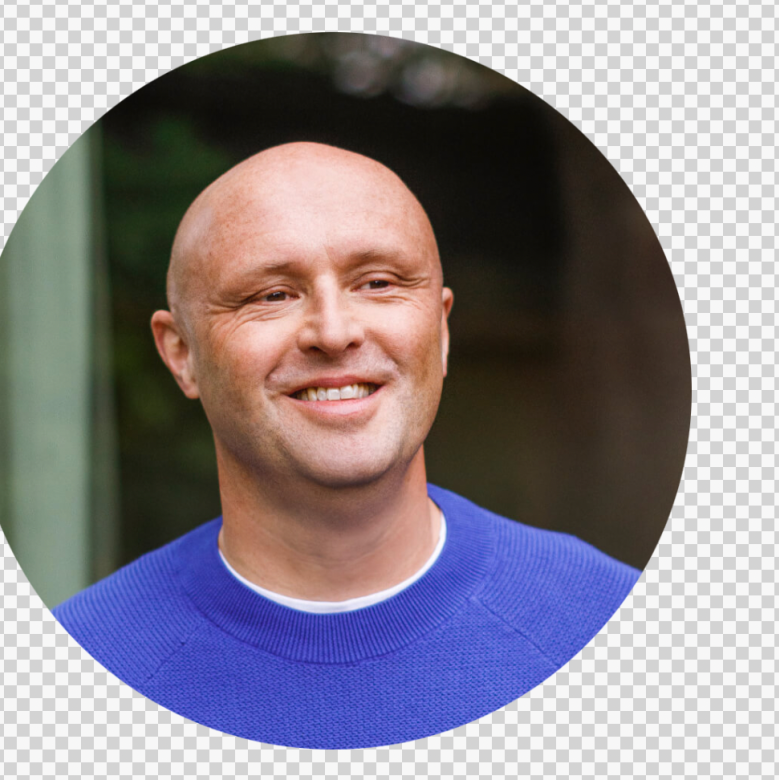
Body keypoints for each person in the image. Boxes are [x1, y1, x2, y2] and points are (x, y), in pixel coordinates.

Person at [53, 142, 640, 749]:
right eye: (272, 295)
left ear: (440, 330)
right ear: (182, 354)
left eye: (378, 283)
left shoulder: (606, 623)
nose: (334, 333)